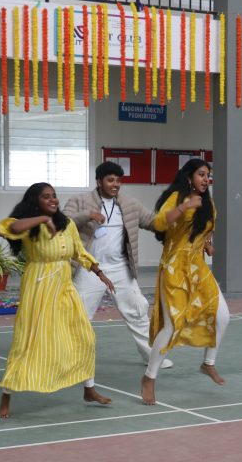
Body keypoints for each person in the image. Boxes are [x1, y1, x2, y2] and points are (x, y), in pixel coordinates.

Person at [0, 183, 116, 418]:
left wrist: (100, 273)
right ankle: (6, 395)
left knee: (84, 335)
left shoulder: (66, 223)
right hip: (38, 288)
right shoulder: (29, 225)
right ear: (35, 201)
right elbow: (11, 227)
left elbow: (79, 252)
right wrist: (42, 219)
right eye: (46, 197)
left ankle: (89, 389)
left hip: (64, 287)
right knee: (28, 342)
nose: (53, 200)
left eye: (54, 196)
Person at [63, 161, 173, 382]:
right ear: (99, 181)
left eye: (118, 180)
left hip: (121, 267)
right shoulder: (79, 200)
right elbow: (62, 223)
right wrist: (87, 215)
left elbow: (153, 222)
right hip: (90, 268)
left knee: (138, 310)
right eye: (110, 180)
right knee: (78, 315)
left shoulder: (130, 204)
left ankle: (151, 355)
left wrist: (179, 215)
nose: (115, 184)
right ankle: (72, 361)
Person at [140, 159, 229, 405]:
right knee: (172, 326)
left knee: (222, 317)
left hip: (198, 268)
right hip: (174, 269)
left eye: (208, 175)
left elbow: (207, 227)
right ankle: (149, 378)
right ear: (189, 176)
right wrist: (185, 206)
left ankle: (208, 363)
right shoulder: (177, 197)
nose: (206, 179)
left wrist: (207, 243)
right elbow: (159, 223)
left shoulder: (207, 202)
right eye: (201, 174)